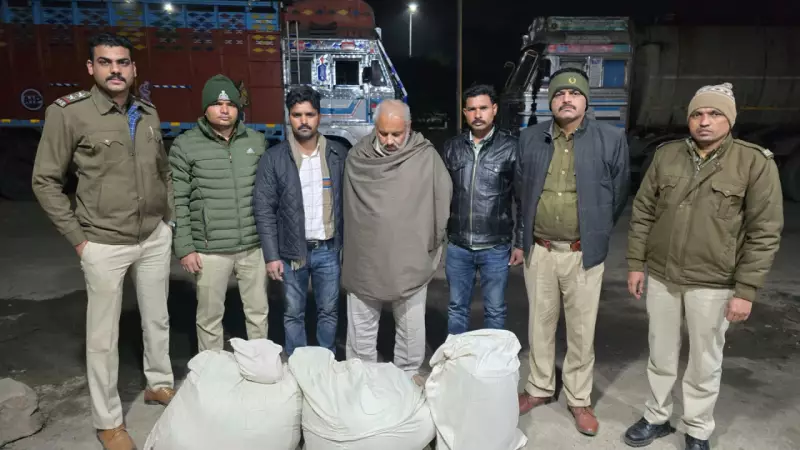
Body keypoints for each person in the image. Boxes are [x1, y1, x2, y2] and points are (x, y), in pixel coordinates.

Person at [31, 33, 175, 450]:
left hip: (152, 236)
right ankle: (108, 421)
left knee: (157, 319)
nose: (116, 70)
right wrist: (79, 240)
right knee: (102, 337)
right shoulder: (69, 113)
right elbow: (45, 181)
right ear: (91, 68)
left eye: (123, 62)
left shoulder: (147, 112)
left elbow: (162, 170)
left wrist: (168, 221)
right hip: (103, 242)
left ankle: (159, 383)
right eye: (106, 62)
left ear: (134, 68)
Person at [624, 83, 783, 450]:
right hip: (662, 275)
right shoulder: (667, 156)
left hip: (714, 281)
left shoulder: (753, 162)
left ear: (730, 120)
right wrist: (635, 263)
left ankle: (697, 428)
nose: (704, 121)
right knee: (660, 353)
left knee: (705, 361)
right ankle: (656, 417)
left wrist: (746, 290)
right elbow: (643, 212)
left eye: (714, 114)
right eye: (697, 114)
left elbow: (764, 232)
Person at [515, 68, 630, 436]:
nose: (567, 98)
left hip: (583, 253)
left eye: (575, 93)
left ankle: (579, 398)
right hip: (541, 251)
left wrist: (595, 230)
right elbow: (520, 191)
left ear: (586, 101)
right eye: (559, 94)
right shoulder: (530, 138)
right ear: (550, 102)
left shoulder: (610, 139)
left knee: (582, 330)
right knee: (540, 324)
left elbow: (618, 193)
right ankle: (539, 387)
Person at [342, 99, 452, 376]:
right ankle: (362, 381)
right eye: (383, 133)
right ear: (374, 128)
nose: (390, 141)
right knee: (361, 333)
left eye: (396, 134)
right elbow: (349, 211)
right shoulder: (358, 158)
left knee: (411, 332)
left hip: (409, 260)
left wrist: (430, 243)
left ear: (409, 127)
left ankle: (407, 380)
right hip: (366, 260)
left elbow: (442, 200)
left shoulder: (424, 157)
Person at [169, 74, 269, 352]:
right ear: (205, 108)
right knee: (210, 317)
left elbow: (268, 195)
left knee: (258, 313)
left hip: (252, 246)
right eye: (217, 103)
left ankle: (259, 365)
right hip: (209, 249)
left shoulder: (256, 141)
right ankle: (211, 369)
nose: (224, 110)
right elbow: (178, 200)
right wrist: (185, 247)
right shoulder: (185, 145)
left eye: (230, 104)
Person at [253, 85, 347, 356]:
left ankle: (325, 361)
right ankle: (297, 363)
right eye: (297, 115)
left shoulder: (337, 155)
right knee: (294, 312)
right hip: (292, 251)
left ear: (319, 116)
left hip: (328, 248)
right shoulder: (274, 158)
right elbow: (264, 209)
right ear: (289, 117)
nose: (303, 121)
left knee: (328, 311)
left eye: (309, 114)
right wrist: (272, 255)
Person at [440, 84, 522, 335]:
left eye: (483, 108)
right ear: (464, 113)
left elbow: (522, 199)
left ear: (494, 109)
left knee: (495, 309)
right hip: (458, 245)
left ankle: (492, 357)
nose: (478, 114)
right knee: (457, 308)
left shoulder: (511, 147)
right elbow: (440, 195)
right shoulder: (452, 148)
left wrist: (519, 243)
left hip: (495, 246)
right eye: (472, 109)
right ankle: (457, 355)